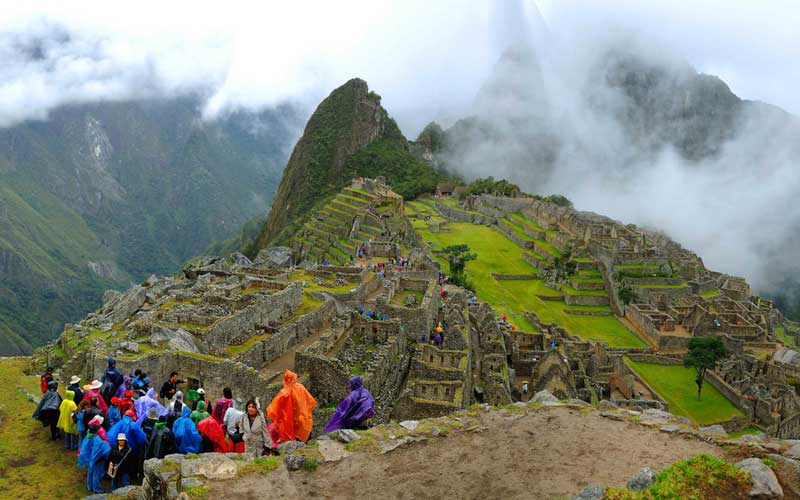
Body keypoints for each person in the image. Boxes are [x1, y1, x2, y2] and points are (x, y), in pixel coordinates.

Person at [267, 370, 317, 443]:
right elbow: (309, 402)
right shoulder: (301, 388)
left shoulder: (284, 393)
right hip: (303, 419)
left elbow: (275, 409)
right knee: (304, 440)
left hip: (289, 422)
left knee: (293, 442)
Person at [78, 423, 110, 495]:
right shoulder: (97, 439)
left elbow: (83, 449)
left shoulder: (87, 437)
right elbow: (104, 450)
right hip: (98, 459)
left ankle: (89, 486)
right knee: (96, 474)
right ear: (96, 431)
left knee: (90, 472)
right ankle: (97, 490)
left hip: (90, 459)